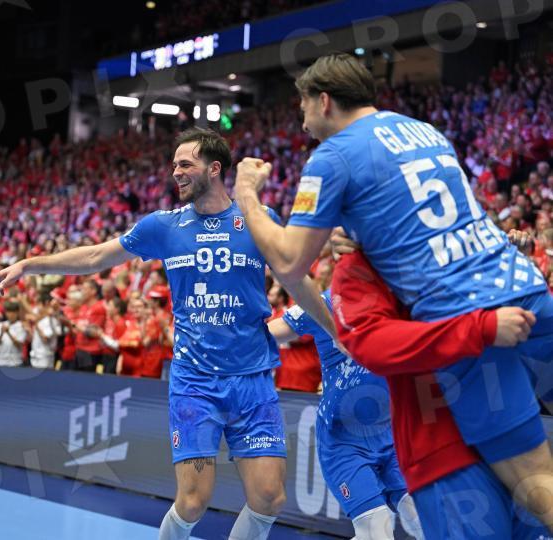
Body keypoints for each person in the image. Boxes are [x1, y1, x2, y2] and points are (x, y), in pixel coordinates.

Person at [233, 53, 553, 530]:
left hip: (470, 318)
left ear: (324, 101)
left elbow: (289, 261)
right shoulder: (425, 131)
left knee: (534, 485)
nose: (302, 121)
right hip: (526, 291)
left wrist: (246, 195)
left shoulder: (332, 156)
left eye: (303, 107)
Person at [0, 127, 336, 540]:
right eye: (173, 165)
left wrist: (336, 330)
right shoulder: (163, 226)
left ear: (214, 168)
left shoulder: (258, 221)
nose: (176, 172)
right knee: (193, 501)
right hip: (195, 382)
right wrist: (29, 264)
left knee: (269, 498)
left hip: (252, 378)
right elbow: (96, 256)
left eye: (185, 164)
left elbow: (296, 279)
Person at [330, 230, 549, 539]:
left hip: (510, 423)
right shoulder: (359, 263)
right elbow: (373, 347)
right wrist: (481, 329)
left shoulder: (473, 234)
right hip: (442, 445)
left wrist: (510, 261)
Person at [268, 291, 423, 539]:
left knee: (423, 520)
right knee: (377, 530)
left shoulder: (405, 300)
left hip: (393, 436)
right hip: (343, 442)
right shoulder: (324, 303)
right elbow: (268, 333)